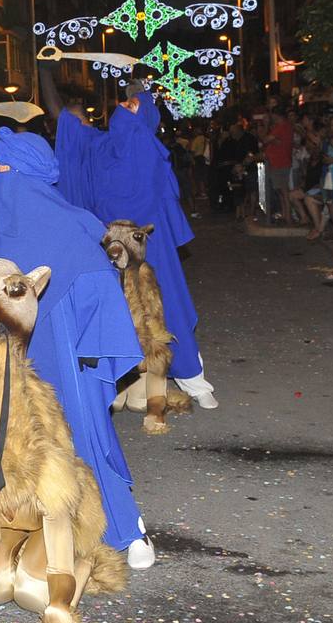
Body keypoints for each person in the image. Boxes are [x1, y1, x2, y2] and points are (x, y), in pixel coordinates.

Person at [0, 117, 154, 568]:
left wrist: (90, 353)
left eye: (4, 169)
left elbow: (97, 286)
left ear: (25, 173)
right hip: (0, 351)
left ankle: (127, 529)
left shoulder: (71, 224)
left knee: (81, 434)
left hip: (61, 351)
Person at [49, 74, 217, 409]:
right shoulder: (98, 147)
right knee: (114, 314)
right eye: (123, 102)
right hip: (113, 250)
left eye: (132, 104)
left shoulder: (151, 154)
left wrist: (141, 91)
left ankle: (193, 379)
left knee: (171, 310)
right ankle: (113, 385)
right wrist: (45, 68)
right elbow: (63, 120)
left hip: (154, 250)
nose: (125, 106)